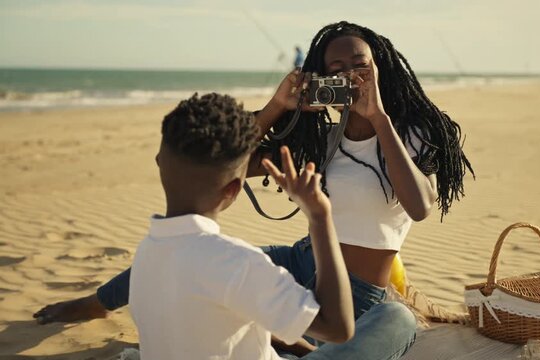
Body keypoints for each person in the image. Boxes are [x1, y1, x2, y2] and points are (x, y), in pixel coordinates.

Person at [34, 21, 473, 358]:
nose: (351, 76)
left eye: (361, 64)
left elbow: (417, 207)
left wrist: (379, 119)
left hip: (357, 290)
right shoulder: (320, 136)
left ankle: (294, 343)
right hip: (302, 259)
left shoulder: (414, 133)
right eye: (336, 70)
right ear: (321, 80)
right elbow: (228, 162)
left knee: (398, 318)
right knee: (193, 256)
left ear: (379, 67)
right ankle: (95, 303)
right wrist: (278, 105)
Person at [128, 92, 355, 359]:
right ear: (233, 189)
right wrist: (320, 218)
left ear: (159, 162)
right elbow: (338, 328)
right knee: (395, 318)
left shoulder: (147, 252)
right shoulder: (237, 263)